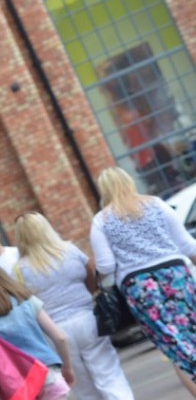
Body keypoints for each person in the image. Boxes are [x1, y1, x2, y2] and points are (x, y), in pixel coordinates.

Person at [91, 167, 196, 394]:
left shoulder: (101, 221)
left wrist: (105, 282)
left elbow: (106, 266)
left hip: (141, 289)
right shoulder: (156, 204)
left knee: (174, 347)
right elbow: (187, 245)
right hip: (176, 275)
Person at [14, 212, 134, 400]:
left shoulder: (19, 270)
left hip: (55, 332)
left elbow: (25, 306)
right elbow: (92, 279)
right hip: (87, 319)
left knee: (84, 389)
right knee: (110, 377)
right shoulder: (69, 251)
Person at [0, 255, 75, 400]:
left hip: (16, 389)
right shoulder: (26, 300)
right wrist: (67, 368)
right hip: (48, 375)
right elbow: (60, 337)